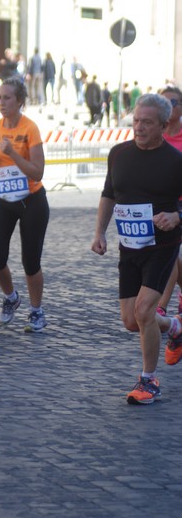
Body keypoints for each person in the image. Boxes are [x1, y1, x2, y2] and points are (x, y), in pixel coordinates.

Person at [91, 93, 182, 405]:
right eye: (136, 121)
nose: (139, 127)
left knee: (144, 310)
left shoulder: (175, 161)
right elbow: (108, 194)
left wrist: (176, 215)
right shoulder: (118, 154)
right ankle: (173, 327)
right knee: (131, 321)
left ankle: (148, 381)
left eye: (147, 122)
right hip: (128, 247)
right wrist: (99, 231)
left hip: (163, 246)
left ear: (163, 125)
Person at [0, 77, 49, 332]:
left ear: (20, 101)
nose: (1, 102)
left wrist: (12, 153)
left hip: (31, 200)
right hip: (2, 197)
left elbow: (37, 172)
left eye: (7, 97)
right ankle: (11, 298)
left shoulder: (30, 128)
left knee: (30, 262)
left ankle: (36, 311)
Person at [156, 86, 182, 321]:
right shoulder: (154, 135)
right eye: (162, 102)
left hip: (179, 207)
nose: (167, 107)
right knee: (173, 256)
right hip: (158, 204)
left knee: (172, 255)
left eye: (172, 103)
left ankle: (161, 306)